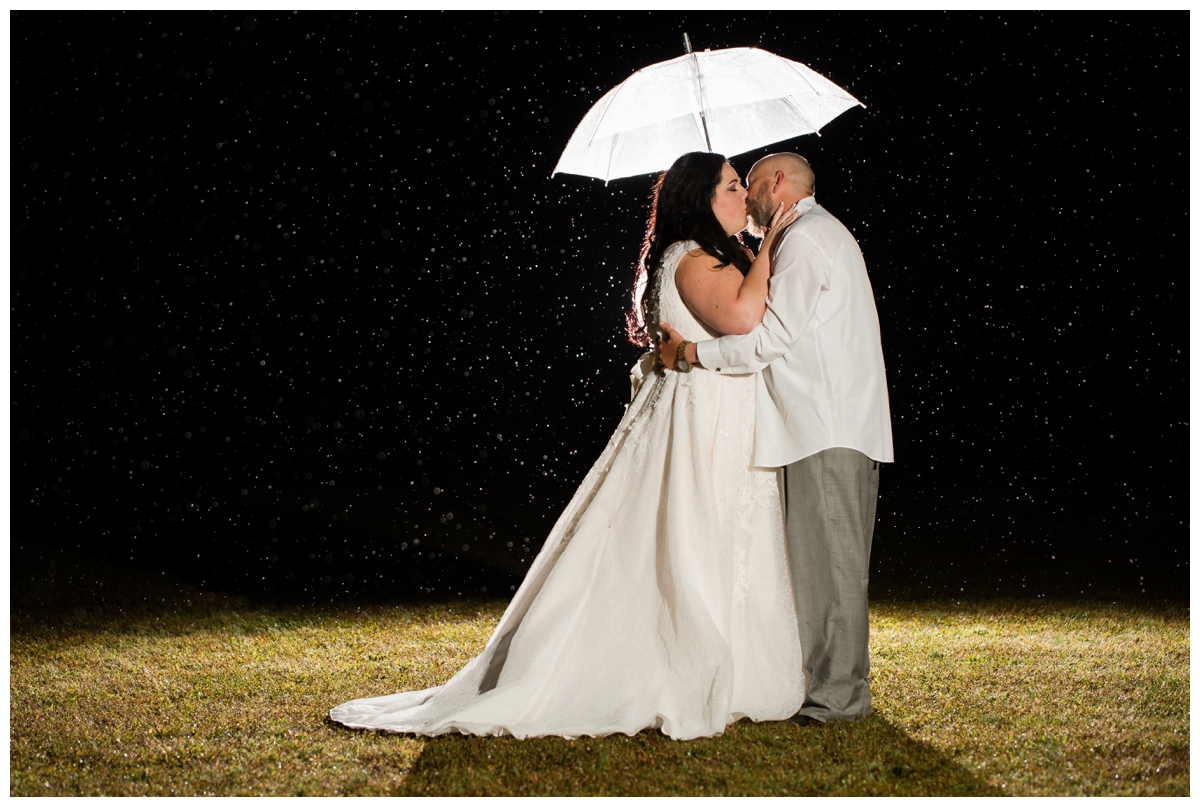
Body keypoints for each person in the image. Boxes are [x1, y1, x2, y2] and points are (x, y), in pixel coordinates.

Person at [329, 152, 803, 740]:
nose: (744, 197)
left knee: (725, 535)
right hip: (697, 424)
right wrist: (775, 241)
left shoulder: (715, 256)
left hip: (721, 419)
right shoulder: (690, 258)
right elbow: (739, 317)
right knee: (688, 535)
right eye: (733, 187)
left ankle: (742, 666)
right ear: (701, 200)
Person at [658, 153, 893, 726]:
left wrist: (691, 354)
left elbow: (769, 339)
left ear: (777, 185)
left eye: (750, 186)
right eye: (734, 186)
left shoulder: (808, 238)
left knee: (833, 571)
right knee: (818, 571)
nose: (748, 199)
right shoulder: (802, 238)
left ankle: (839, 700)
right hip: (815, 425)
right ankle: (830, 692)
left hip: (827, 425)